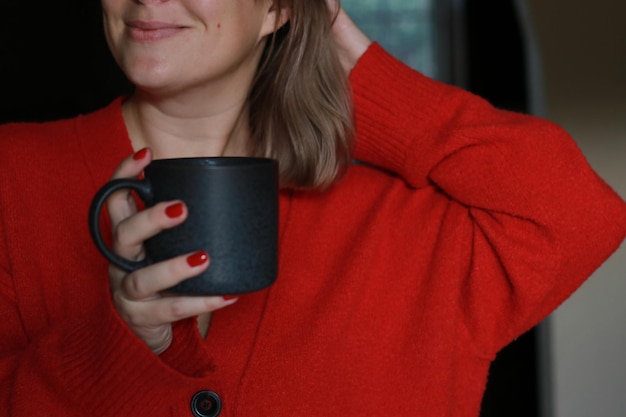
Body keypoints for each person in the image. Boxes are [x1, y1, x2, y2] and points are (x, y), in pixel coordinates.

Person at [1, 0, 625, 416]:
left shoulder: (410, 225)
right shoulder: (12, 176)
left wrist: (369, 78)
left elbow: (577, 212)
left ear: (277, 6)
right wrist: (115, 346)